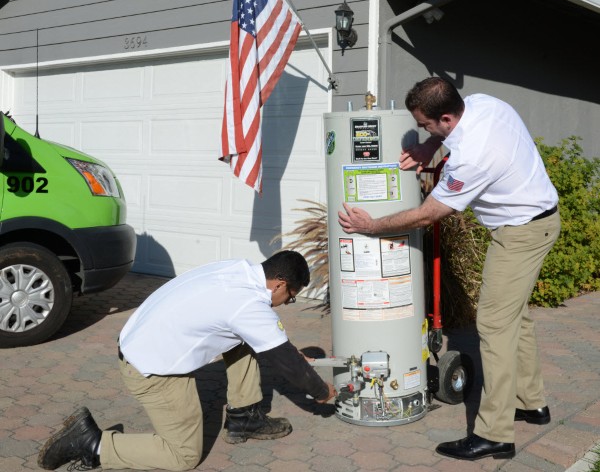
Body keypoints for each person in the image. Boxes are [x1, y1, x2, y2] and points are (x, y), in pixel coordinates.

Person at [338, 77, 560, 461]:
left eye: (425, 126)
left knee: (492, 326)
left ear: (445, 116)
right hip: (534, 220)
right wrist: (429, 146)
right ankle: (531, 403)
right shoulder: (481, 103)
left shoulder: (473, 155)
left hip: (521, 232)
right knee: (515, 318)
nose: (423, 131)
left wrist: (371, 227)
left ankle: (494, 435)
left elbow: (427, 215)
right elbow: (447, 135)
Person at [38, 250, 336, 471]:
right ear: (280, 284)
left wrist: (290, 352)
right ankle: (94, 444)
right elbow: (284, 360)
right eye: (292, 297)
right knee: (183, 456)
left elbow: (272, 342)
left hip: (138, 341)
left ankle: (244, 419)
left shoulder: (238, 270)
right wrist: (322, 392)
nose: (288, 304)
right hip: (152, 371)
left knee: (249, 338)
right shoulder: (249, 305)